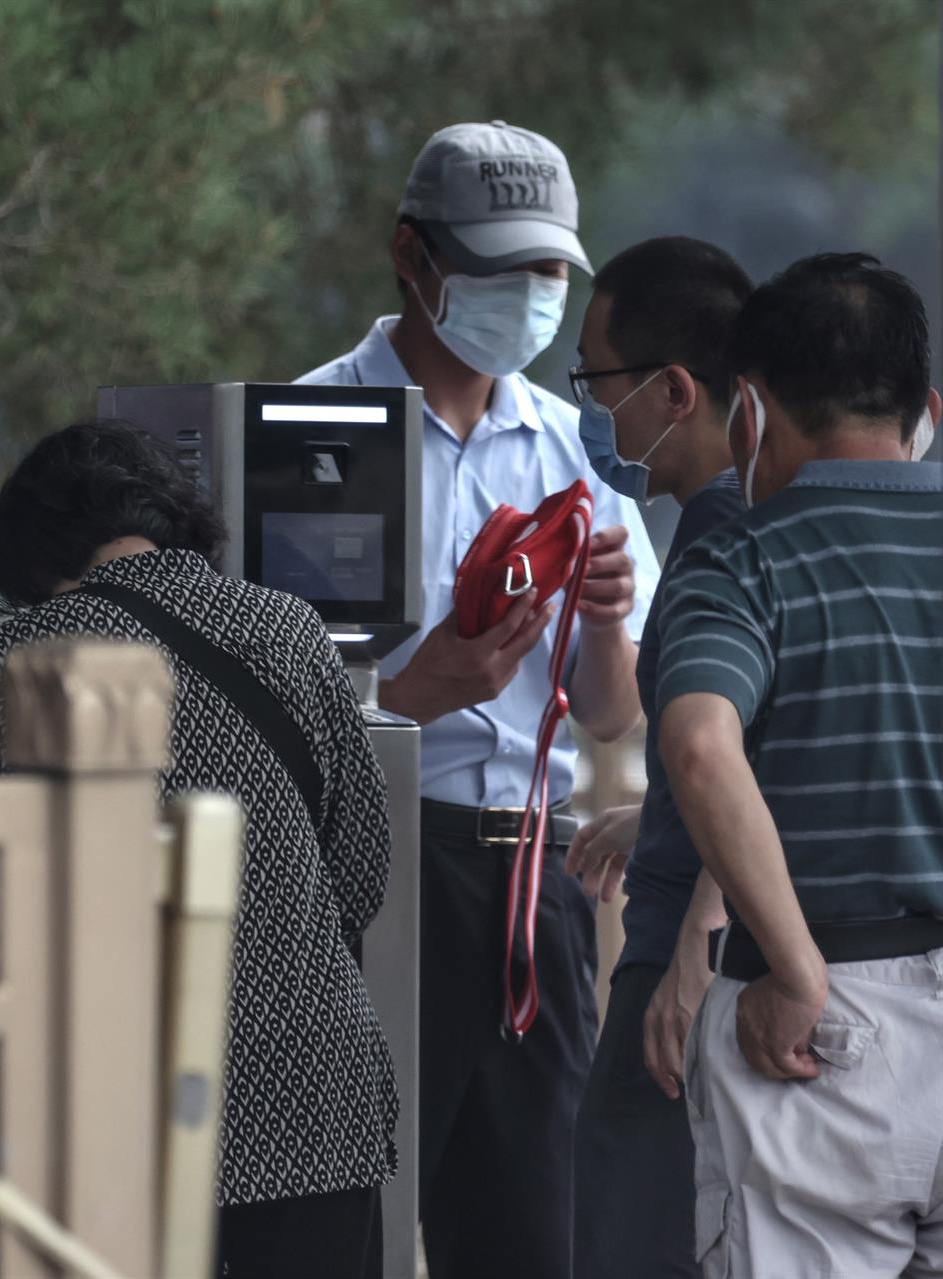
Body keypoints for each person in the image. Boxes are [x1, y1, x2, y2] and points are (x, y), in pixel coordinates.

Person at [295, 120, 660, 1276]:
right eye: (503, 267)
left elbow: (611, 716)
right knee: (341, 1219)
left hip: (530, 888)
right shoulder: (309, 435)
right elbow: (264, 706)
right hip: (358, 877)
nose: (530, 296)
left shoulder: (578, 453)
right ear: (414, 257)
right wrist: (411, 690)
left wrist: (604, 616)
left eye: (550, 270)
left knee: (532, 1227)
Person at [0, 422, 397, 1278]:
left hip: (117, 1117)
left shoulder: (7, 669)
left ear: (31, 557)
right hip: (321, 1101)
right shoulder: (290, 629)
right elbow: (358, 873)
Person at [659, 253, 943, 1275]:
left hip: (825, 1041)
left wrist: (793, 966)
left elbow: (698, 741)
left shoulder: (744, 560)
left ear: (752, 411)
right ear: (927, 410)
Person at [554, 236, 751, 1278]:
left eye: (595, 377)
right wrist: (662, 810)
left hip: (686, 972)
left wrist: (701, 941)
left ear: (675, 390)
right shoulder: (737, 528)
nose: (587, 405)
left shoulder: (725, 542)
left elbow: (749, 754)